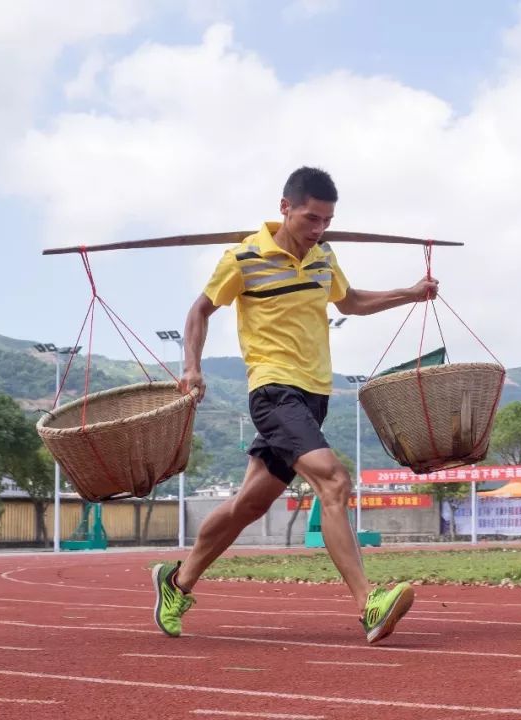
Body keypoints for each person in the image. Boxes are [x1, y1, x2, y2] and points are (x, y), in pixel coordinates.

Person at [151, 166, 437, 644]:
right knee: (334, 480)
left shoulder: (324, 256)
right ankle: (368, 603)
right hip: (273, 391)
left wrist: (409, 294)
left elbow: (350, 302)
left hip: (313, 396)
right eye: (311, 218)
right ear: (285, 208)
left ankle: (176, 583)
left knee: (250, 504)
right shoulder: (243, 258)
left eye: (327, 220)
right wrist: (192, 367)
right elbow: (200, 309)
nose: (319, 229)